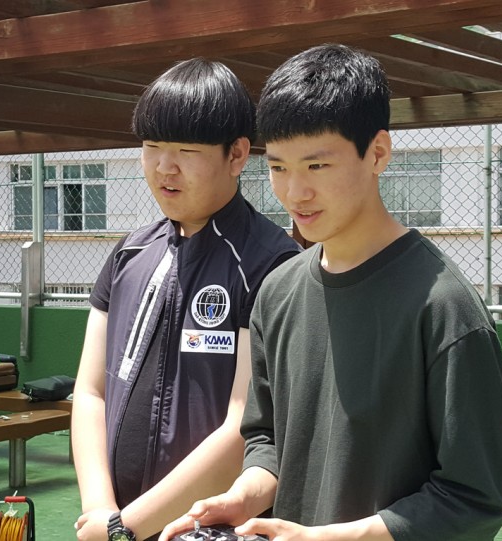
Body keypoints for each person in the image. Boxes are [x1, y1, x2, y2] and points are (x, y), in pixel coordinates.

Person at [160, 44, 502, 541]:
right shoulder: (277, 292)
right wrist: (242, 496)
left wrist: (329, 537)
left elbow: (475, 498)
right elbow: (267, 438)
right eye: (278, 167)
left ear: (378, 153)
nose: (294, 192)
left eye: (317, 166)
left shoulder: (445, 308)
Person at [72, 57, 301, 541]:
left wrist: (122, 527)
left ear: (237, 154)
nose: (164, 166)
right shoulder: (129, 253)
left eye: (186, 150)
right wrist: (101, 510)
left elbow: (245, 427)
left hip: (208, 529)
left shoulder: (270, 263)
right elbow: (91, 392)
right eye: (152, 147)